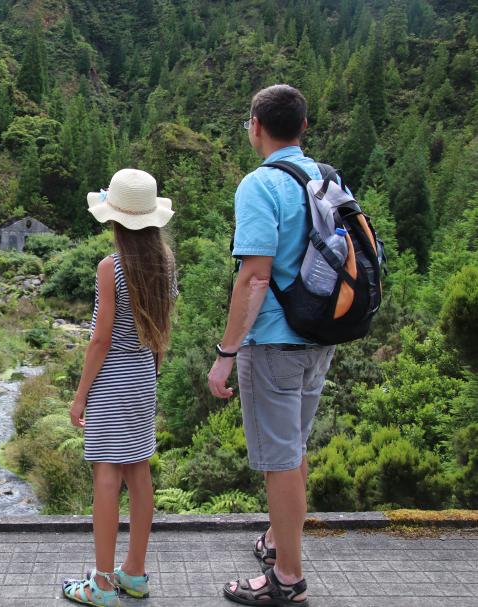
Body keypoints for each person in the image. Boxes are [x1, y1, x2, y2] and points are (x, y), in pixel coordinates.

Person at [207, 84, 337, 607]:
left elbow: (255, 277)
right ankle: (278, 543)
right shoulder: (326, 177)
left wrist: (225, 354)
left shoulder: (259, 184)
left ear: (255, 126)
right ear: (303, 127)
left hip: (275, 344)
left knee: (280, 460)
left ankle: (287, 578)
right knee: (295, 449)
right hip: (320, 336)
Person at [62, 169, 177, 607]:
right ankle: (134, 573)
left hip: (112, 379)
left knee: (106, 476)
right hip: (144, 372)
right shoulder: (165, 262)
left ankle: (103, 584)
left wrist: (80, 395)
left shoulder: (111, 268)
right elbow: (161, 328)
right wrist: (152, 370)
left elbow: (100, 339)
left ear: (115, 219)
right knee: (139, 472)